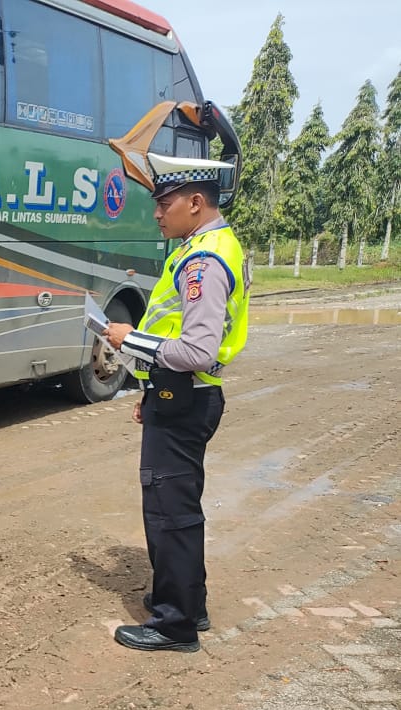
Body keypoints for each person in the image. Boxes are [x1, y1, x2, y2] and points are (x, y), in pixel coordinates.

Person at [102, 154, 250, 653]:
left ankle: (175, 625)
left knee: (170, 511)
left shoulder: (203, 262)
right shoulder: (210, 247)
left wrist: (128, 339)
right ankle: (189, 602)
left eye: (164, 204)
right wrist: (150, 389)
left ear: (195, 202)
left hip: (188, 397)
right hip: (180, 395)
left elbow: (197, 349)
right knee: (177, 505)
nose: (158, 214)